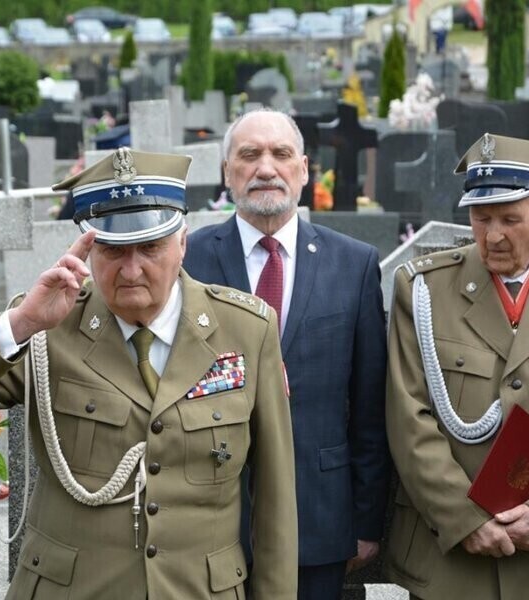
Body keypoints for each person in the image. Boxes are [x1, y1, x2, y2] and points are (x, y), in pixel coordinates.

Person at [0, 147, 298, 599]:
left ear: (182, 242)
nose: (131, 269)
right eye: (112, 249)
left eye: (150, 247)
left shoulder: (245, 328)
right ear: (87, 248)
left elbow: (276, 500)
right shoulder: (49, 328)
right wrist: (20, 325)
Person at [384, 133, 529, 600]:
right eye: (481, 217)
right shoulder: (423, 290)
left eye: (511, 219)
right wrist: (464, 517)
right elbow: (407, 416)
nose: (493, 235)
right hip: (450, 562)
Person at [183, 109, 390, 600]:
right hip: (209, 519)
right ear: (227, 172)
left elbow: (370, 405)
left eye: (280, 154)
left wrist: (366, 520)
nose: (266, 169)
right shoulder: (187, 259)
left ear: (303, 169)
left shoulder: (354, 264)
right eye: (249, 155)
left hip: (318, 518)